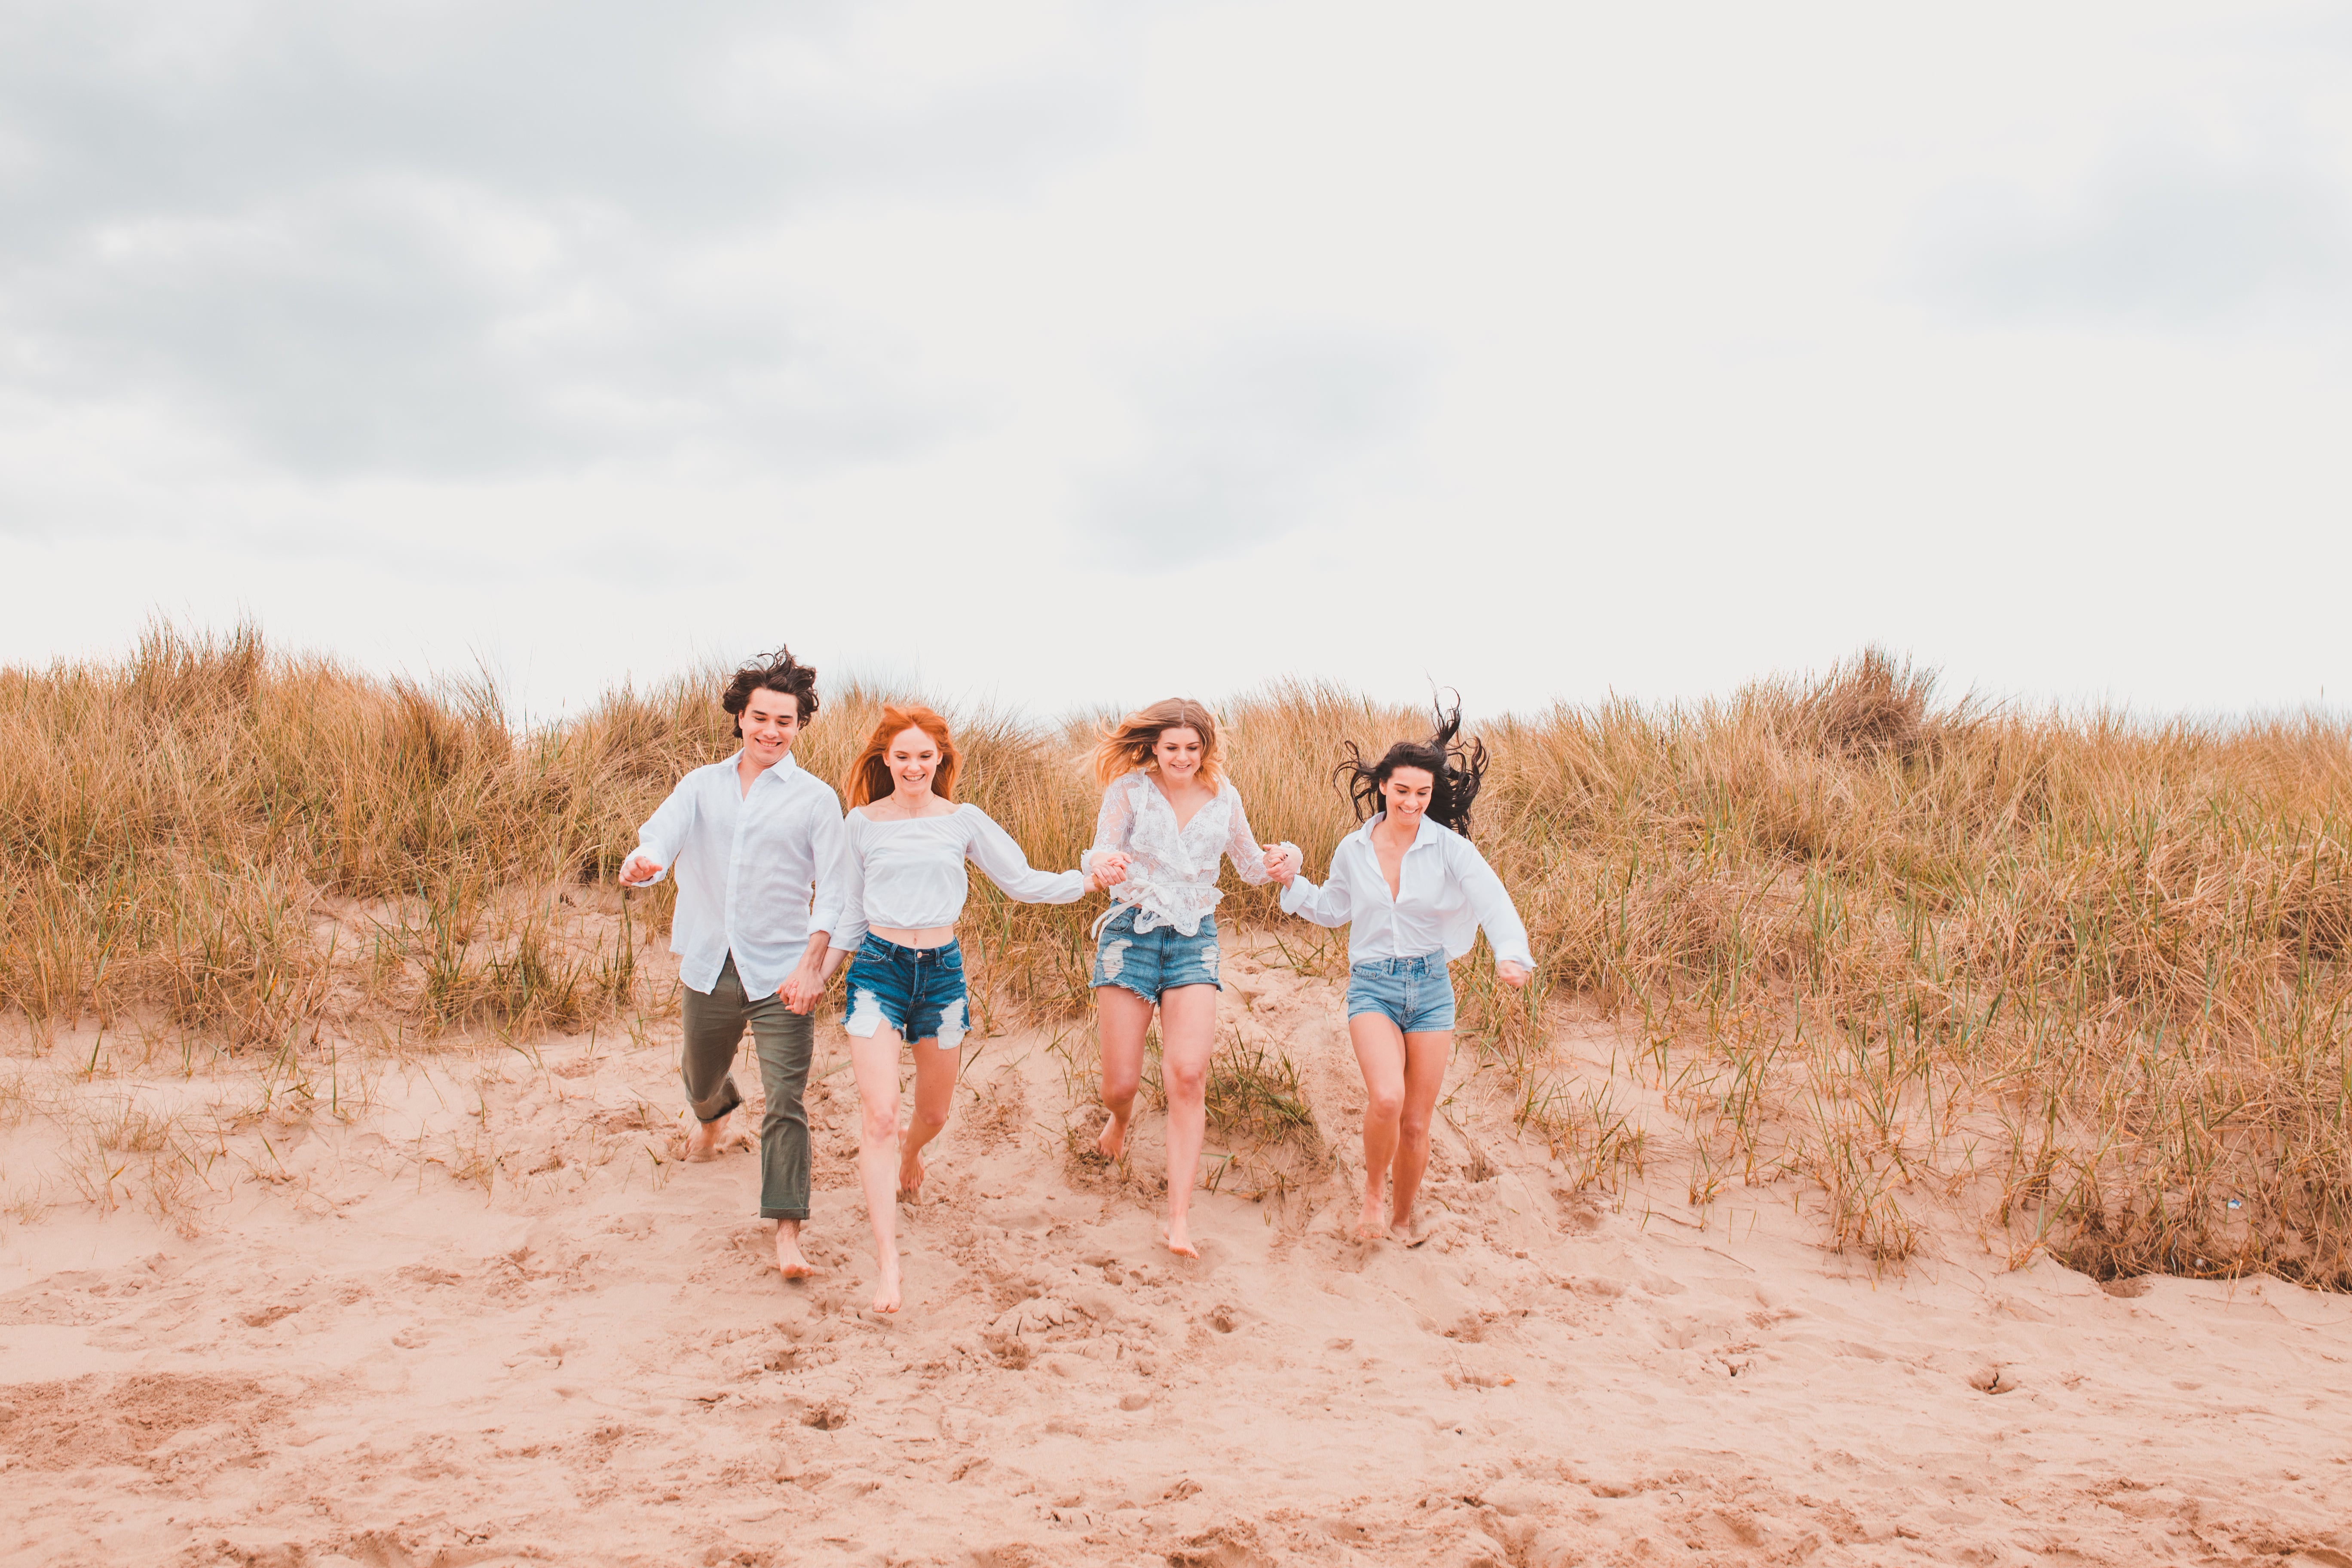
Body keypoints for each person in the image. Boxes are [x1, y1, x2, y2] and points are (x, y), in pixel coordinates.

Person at [799, 705, 1127, 1314]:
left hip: (943, 975)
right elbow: (845, 909)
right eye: (902, 757)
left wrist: (1088, 881)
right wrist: (818, 975)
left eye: (925, 757)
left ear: (941, 759)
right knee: (878, 1113)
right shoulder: (862, 824)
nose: (914, 767)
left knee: (934, 1113)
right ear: (885, 761)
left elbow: (1022, 881)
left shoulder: (963, 821)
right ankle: (888, 1266)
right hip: (878, 969)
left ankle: (912, 1156)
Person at [619, 648, 843, 1283]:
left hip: (783, 971)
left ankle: (787, 1232)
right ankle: (714, 1120)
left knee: (787, 1102)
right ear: (740, 718)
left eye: (786, 721)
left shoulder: (815, 800)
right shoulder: (701, 786)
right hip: (711, 962)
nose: (772, 731)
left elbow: (835, 890)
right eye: (761, 717)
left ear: (800, 726)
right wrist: (646, 862)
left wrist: (814, 966)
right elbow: (662, 837)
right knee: (700, 1077)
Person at [1271, 702, 1531, 1245]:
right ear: (1383, 787)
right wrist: (1294, 884)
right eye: (1403, 791)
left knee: (1415, 1122)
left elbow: (1493, 900)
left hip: (1432, 989)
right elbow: (1332, 908)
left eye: (1423, 794)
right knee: (1386, 1098)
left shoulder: (1449, 849)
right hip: (1374, 986)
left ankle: (1404, 1216)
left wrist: (1511, 952)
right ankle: (1372, 1193)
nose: (1412, 803)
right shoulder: (1354, 849)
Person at [1084, 699, 1299, 1258]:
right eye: (1172, 747)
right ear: (1154, 746)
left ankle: (1178, 1219)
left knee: (1187, 1074)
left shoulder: (1224, 798)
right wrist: (1103, 865)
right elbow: (1103, 847)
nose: (1182, 757)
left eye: (1192, 748)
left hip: (1193, 940)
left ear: (1205, 749)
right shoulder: (1129, 792)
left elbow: (1252, 867)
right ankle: (1119, 1119)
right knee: (1121, 1082)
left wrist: (1286, 859)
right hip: (1129, 935)